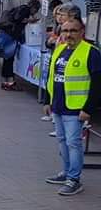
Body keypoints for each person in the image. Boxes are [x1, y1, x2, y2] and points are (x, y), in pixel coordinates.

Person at [43, 18, 100, 196]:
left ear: (82, 32)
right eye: (65, 31)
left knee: (73, 144)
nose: (68, 35)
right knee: (62, 141)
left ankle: (74, 179)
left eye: (73, 31)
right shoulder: (60, 49)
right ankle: (67, 173)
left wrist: (88, 109)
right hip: (59, 106)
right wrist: (47, 100)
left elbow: (98, 83)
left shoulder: (91, 52)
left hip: (76, 109)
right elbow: (51, 76)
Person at [0, 0, 40, 91]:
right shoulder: (25, 10)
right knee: (9, 58)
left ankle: (6, 80)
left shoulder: (20, 8)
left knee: (7, 58)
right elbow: (18, 19)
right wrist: (29, 20)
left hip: (8, 34)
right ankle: (10, 82)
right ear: (34, 8)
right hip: (11, 35)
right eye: (36, 10)